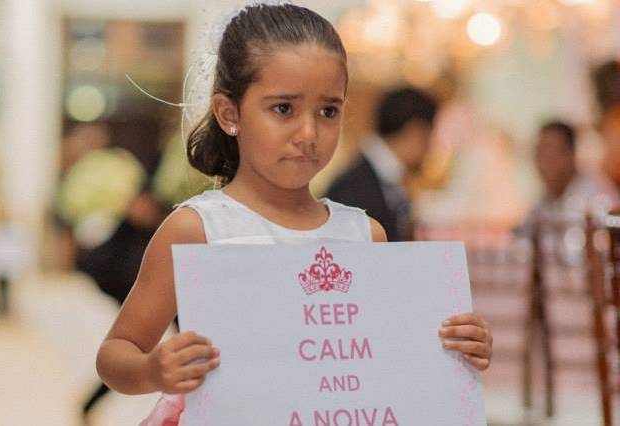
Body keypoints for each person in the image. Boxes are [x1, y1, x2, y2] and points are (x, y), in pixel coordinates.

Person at [95, 4, 493, 425]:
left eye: (328, 111)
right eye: (283, 108)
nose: (308, 134)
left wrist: (454, 349)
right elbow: (116, 352)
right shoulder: (198, 229)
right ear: (230, 113)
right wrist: (153, 369)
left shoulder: (364, 234)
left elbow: (379, 357)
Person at [326, 86, 437, 241]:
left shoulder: (380, 178)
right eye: (431, 135)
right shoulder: (354, 187)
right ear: (415, 131)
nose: (432, 147)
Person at [524, 120, 618, 228]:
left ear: (571, 154)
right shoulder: (543, 201)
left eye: (551, 152)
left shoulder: (599, 197)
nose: (543, 162)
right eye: (539, 152)